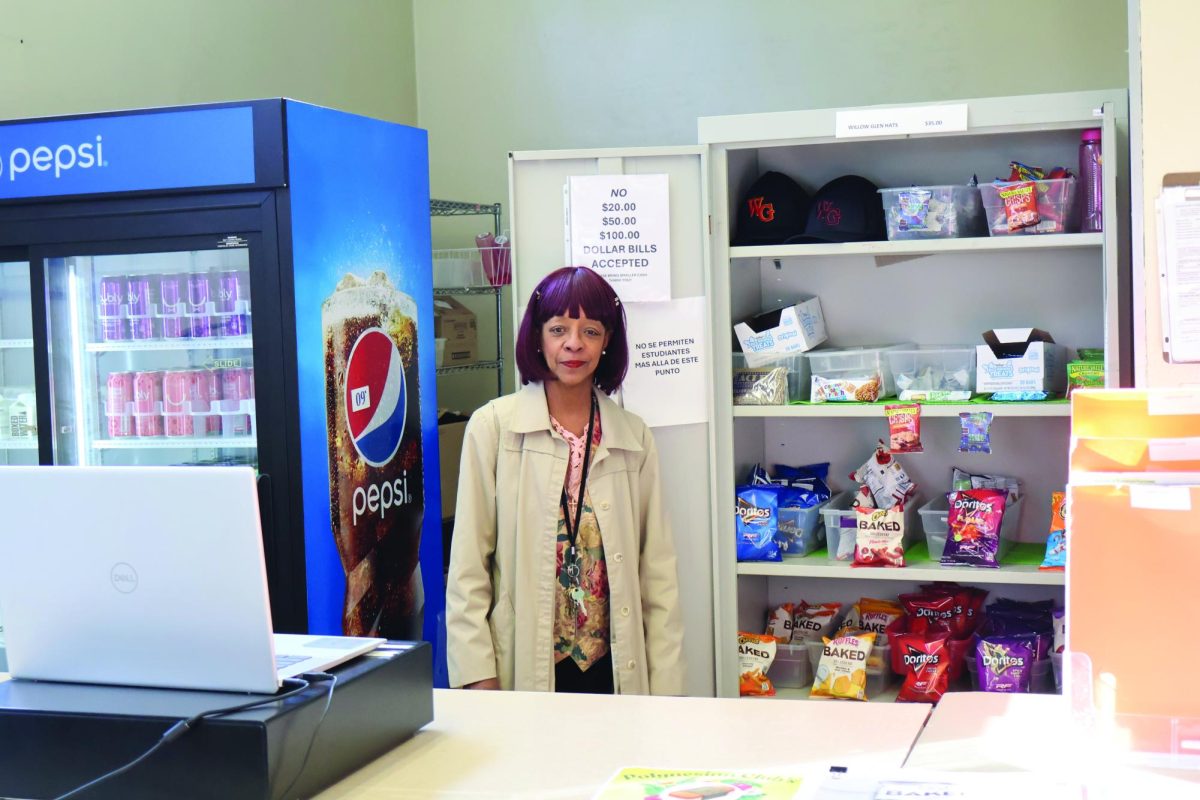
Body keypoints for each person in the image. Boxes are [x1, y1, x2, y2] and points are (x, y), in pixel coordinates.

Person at [445, 266, 685, 695]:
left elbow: (659, 576)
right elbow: (468, 570)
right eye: (559, 329)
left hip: (613, 668)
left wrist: (667, 690)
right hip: (524, 666)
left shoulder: (633, 437)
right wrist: (477, 674)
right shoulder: (494, 429)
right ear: (538, 337)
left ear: (607, 341)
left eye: (590, 331)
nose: (574, 343)